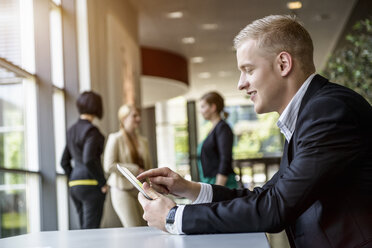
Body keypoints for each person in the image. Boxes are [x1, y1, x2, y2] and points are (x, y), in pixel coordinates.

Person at [137, 15, 372, 248]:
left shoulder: (329, 111)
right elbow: (265, 196)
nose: (241, 83)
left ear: (283, 64)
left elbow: (276, 207)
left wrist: (174, 217)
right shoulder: (312, 113)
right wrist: (188, 188)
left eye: (248, 70)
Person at [61, 91, 108, 229]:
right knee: (92, 230)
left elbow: (64, 162)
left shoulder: (71, 131)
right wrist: (102, 182)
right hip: (91, 184)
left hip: (75, 185)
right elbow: (89, 159)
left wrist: (73, 177)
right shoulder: (92, 131)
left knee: (83, 230)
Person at [104, 104, 152, 227]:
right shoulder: (115, 138)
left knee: (146, 225)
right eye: (134, 115)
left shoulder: (143, 141)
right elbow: (108, 165)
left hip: (141, 189)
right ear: (124, 118)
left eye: (139, 115)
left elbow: (148, 166)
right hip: (122, 189)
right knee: (133, 227)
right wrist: (135, 169)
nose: (138, 119)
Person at [198, 91, 237, 188]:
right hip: (210, 182)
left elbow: (225, 159)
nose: (201, 111)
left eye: (203, 107)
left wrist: (219, 188)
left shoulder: (223, 128)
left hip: (221, 184)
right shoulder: (214, 129)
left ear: (213, 107)